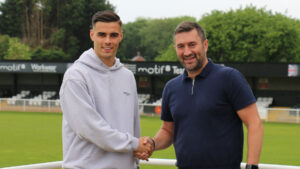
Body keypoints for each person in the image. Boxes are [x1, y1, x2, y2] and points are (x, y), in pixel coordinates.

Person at [146, 21, 264, 169]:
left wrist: (251, 166)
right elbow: (168, 130)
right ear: (175, 49)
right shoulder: (171, 87)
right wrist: (152, 144)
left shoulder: (229, 78)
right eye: (181, 46)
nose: (187, 52)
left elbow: (254, 124)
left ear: (205, 45)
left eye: (192, 44)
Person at [59, 10, 151, 169]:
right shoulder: (76, 76)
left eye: (113, 35)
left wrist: (137, 155)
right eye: (102, 34)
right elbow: (90, 128)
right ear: (92, 35)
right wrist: (135, 144)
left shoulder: (127, 76)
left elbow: (134, 124)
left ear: (121, 36)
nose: (108, 41)